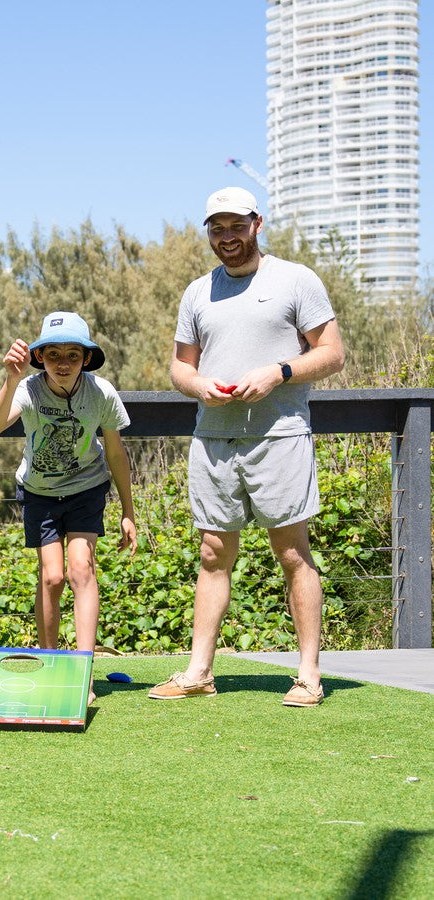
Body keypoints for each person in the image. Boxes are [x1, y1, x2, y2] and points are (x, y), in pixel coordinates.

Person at [148, 187, 345, 707]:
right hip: (214, 439)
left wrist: (280, 371)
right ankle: (199, 672)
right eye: (218, 228)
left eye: (237, 226)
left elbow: (332, 354)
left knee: (292, 552)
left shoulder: (296, 280)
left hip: (280, 437)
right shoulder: (198, 292)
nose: (227, 237)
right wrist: (198, 386)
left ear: (257, 223)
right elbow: (180, 366)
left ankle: (308, 675)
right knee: (212, 553)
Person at [0, 312, 138, 703]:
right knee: (52, 577)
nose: (63, 363)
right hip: (39, 492)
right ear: (39, 358)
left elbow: (116, 453)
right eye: (53, 354)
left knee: (81, 570)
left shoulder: (102, 393)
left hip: (87, 488)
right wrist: (11, 379)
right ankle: (50, 664)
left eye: (73, 354)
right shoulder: (29, 389)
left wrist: (128, 511)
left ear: (87, 358)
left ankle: (83, 673)